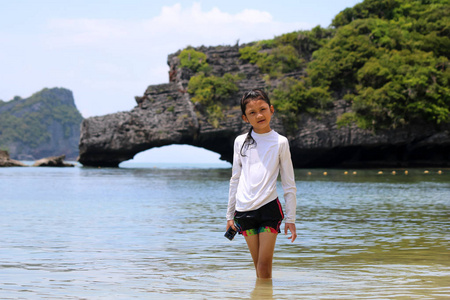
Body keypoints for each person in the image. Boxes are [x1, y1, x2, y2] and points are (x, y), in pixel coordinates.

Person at [226, 89, 297, 279]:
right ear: (245, 118)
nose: (259, 115)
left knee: (264, 267)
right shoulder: (240, 142)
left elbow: (289, 184)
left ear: (271, 110)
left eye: (263, 109)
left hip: (269, 209)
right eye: (252, 112)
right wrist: (229, 216)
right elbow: (235, 179)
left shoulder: (280, 142)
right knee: (258, 267)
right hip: (244, 210)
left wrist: (291, 218)